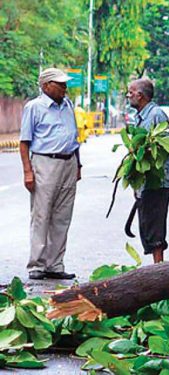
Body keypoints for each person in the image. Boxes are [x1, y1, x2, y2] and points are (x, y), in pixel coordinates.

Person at [19, 68, 81, 280]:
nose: (65, 88)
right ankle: (37, 264)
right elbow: (24, 142)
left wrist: (78, 166)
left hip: (69, 163)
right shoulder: (34, 107)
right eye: (60, 84)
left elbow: (74, 136)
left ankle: (55, 264)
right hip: (45, 162)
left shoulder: (67, 105)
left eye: (65, 84)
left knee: (62, 216)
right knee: (41, 214)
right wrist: (28, 171)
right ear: (46, 86)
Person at [127, 78, 169, 264]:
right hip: (145, 180)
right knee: (146, 223)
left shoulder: (156, 114)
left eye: (131, 92)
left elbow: (166, 146)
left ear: (140, 96)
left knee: (155, 224)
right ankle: (155, 267)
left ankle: (159, 267)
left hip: (158, 179)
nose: (128, 95)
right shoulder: (140, 115)